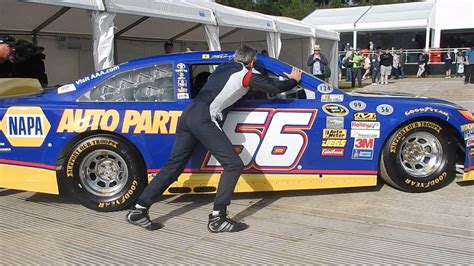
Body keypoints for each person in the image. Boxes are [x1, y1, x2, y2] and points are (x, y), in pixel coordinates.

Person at [126, 45, 303, 232]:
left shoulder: (222, 68)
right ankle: (218, 218)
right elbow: (275, 87)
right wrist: (293, 80)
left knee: (173, 167)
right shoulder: (245, 74)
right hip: (203, 118)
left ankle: (139, 210)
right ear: (252, 62)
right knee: (233, 164)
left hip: (188, 115)